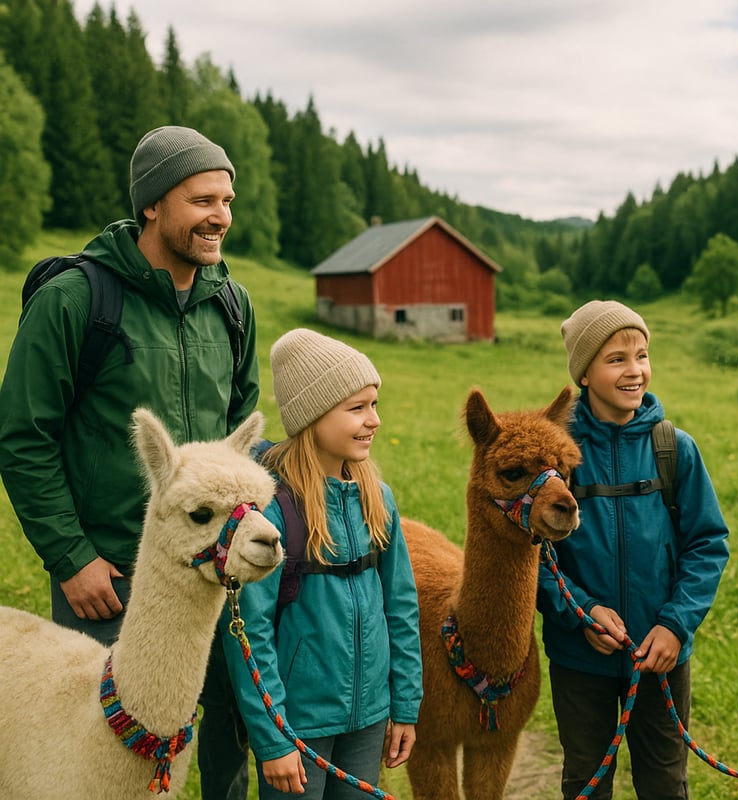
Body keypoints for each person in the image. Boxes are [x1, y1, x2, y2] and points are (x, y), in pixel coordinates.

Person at [0, 125, 260, 799]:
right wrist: (70, 556)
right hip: (110, 578)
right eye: (202, 199)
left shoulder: (231, 306)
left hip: (218, 571)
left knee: (230, 746)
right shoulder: (77, 300)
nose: (220, 216)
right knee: (106, 762)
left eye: (227, 200)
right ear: (152, 204)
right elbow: (24, 436)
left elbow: (240, 432)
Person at [536, 300, 730, 799]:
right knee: (586, 780)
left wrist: (674, 625)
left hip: (661, 656)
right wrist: (582, 612)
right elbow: (532, 556)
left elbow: (707, 543)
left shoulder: (675, 449)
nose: (634, 370)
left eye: (641, 355)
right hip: (582, 659)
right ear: (584, 373)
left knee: (665, 782)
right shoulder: (558, 456)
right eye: (616, 358)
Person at [220, 327, 422, 798]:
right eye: (356, 408)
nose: (373, 420)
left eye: (374, 404)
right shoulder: (271, 511)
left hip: (370, 718)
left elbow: (402, 607)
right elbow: (248, 631)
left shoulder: (379, 498)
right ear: (311, 417)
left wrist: (405, 705)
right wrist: (273, 740)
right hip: (299, 724)